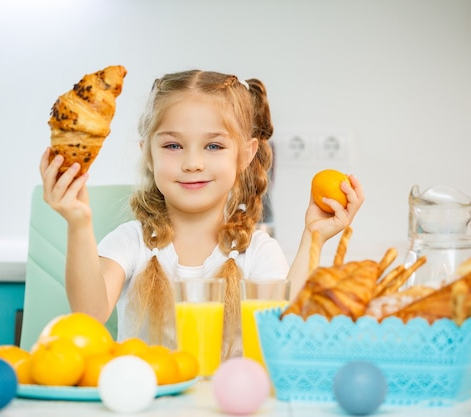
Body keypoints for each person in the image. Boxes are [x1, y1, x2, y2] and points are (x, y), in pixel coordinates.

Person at [39, 69, 364, 358]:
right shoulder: (131, 243)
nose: (192, 162)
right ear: (148, 154)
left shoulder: (256, 252)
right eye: (173, 146)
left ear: (246, 154)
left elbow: (284, 332)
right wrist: (78, 223)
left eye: (213, 146)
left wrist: (314, 237)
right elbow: (90, 314)